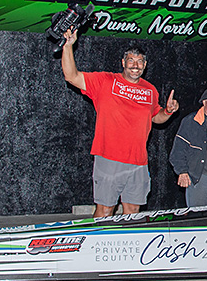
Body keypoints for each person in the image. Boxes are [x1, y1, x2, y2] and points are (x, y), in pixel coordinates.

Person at [60, 28, 178, 218]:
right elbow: (72, 76)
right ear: (123, 62)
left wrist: (168, 111)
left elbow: (156, 117)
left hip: (139, 162)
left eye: (139, 61)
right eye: (131, 60)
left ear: (145, 65)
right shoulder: (105, 81)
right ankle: (96, 238)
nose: (135, 65)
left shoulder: (150, 90)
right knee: (105, 210)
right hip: (109, 159)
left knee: (133, 212)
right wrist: (68, 46)